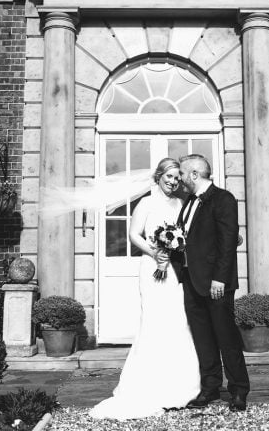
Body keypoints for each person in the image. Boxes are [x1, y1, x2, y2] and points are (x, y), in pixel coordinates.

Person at [89, 158, 200, 420]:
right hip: (152, 269)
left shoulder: (181, 205)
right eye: (168, 176)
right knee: (153, 321)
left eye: (177, 178)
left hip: (174, 270)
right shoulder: (146, 203)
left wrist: (175, 249)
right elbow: (133, 234)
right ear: (158, 176)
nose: (173, 182)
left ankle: (180, 385)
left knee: (177, 320)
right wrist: (154, 252)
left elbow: (186, 236)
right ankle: (147, 385)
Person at [170, 154, 250, 412]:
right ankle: (210, 387)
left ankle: (239, 390)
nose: (180, 179)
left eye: (183, 174)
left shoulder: (223, 199)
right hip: (191, 280)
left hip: (216, 283)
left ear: (194, 174)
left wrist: (219, 279)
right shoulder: (189, 202)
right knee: (203, 338)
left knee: (226, 337)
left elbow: (227, 243)